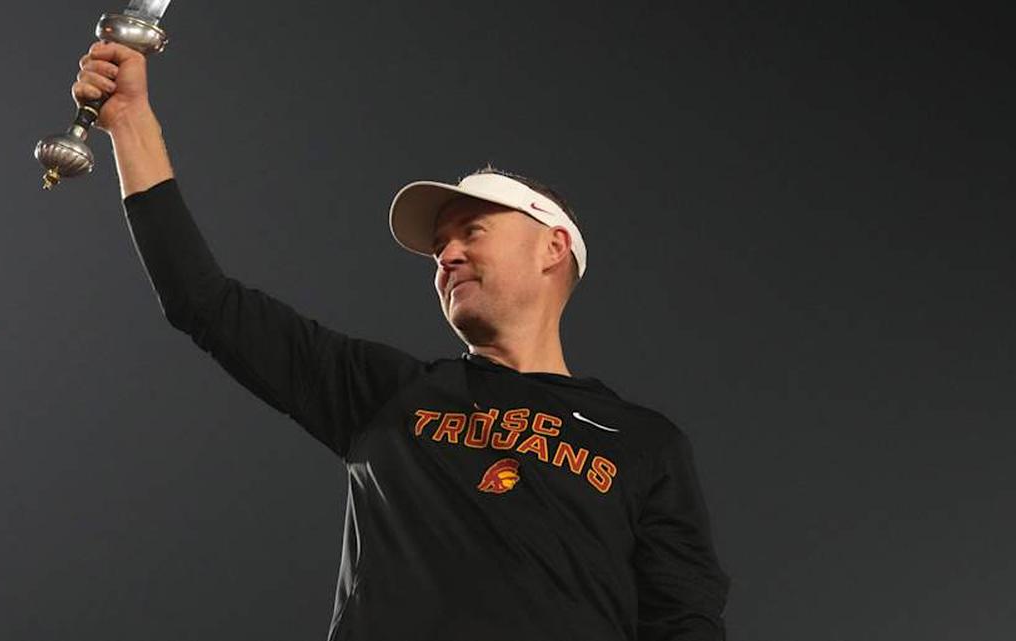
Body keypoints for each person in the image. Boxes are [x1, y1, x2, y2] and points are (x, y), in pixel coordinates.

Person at [73, 40, 732, 640]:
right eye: (438, 245)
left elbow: (686, 623)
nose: (445, 254)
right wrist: (131, 121)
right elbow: (203, 301)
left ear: (552, 247)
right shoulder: (392, 395)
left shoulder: (645, 444)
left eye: (471, 231)